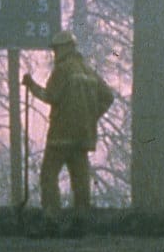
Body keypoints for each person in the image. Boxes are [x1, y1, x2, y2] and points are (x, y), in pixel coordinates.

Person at [24, 31, 114, 236]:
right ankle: (81, 223)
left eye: (56, 49)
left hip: (61, 135)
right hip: (83, 136)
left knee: (48, 175)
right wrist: (91, 115)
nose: (55, 53)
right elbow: (108, 97)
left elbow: (50, 96)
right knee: (80, 179)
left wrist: (31, 86)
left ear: (64, 48)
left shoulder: (63, 70)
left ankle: (51, 221)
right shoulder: (88, 71)